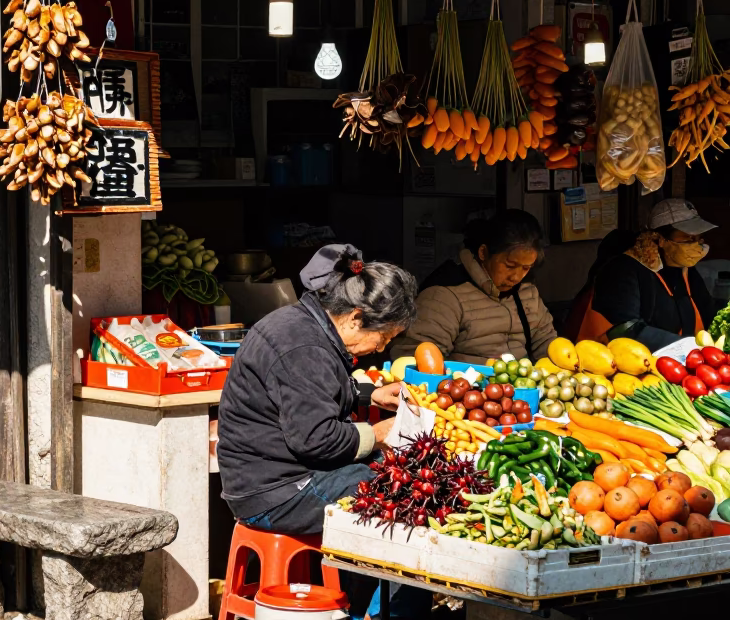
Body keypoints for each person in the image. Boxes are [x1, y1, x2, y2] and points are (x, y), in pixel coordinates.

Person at [217, 244, 418, 535]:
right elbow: (315, 439)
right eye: (383, 337)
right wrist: (379, 434)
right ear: (355, 318)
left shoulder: (306, 323)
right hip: (277, 492)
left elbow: (314, 393)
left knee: (399, 472)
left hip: (279, 476)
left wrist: (369, 394)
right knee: (406, 496)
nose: (381, 348)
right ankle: (364, 582)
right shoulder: (304, 347)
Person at [391, 212, 556, 366]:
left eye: (526, 268)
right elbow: (415, 358)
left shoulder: (527, 292)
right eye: (509, 265)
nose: (516, 277)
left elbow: (546, 343)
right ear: (483, 253)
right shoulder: (444, 294)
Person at [579, 198, 716, 350]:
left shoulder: (685, 268)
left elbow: (707, 310)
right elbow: (624, 330)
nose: (697, 245)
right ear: (660, 239)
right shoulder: (621, 270)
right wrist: (684, 346)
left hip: (678, 362)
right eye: (688, 237)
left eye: (698, 238)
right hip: (615, 363)